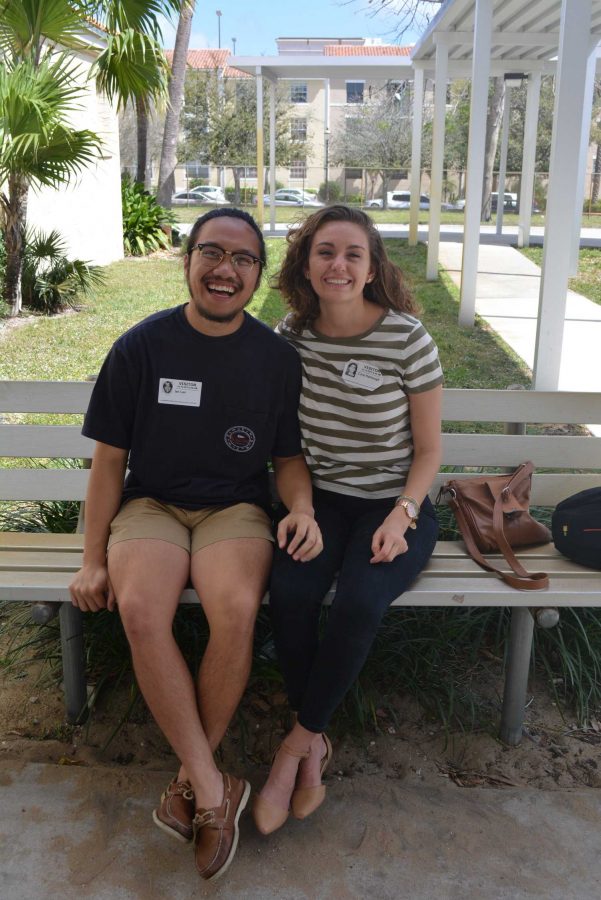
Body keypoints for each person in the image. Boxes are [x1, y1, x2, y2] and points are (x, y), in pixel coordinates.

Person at [69, 207, 322, 881]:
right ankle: (213, 790)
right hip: (150, 505)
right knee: (141, 609)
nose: (225, 270)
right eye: (212, 253)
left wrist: (298, 506)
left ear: (257, 276)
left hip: (234, 509)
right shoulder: (141, 347)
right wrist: (93, 559)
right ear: (186, 262)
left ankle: (191, 779)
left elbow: (288, 458)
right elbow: (108, 463)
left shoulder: (274, 359)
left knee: (235, 609)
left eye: (243, 260)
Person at [253, 205, 443, 834]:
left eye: (352, 254)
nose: (338, 264)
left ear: (371, 267)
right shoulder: (290, 339)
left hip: (396, 504)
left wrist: (403, 514)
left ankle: (294, 750)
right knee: (292, 591)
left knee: (362, 599)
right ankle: (318, 746)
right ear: (306, 264)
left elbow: (429, 451)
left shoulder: (406, 337)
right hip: (322, 501)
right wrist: (301, 509)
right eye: (325, 252)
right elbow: (288, 448)